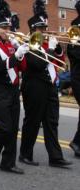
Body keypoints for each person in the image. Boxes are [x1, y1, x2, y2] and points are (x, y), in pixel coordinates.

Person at [19, 0, 72, 168]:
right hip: (34, 87)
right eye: (41, 29)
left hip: (49, 86)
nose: (44, 31)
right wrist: (49, 50)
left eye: (44, 28)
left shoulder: (45, 44)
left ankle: (55, 157)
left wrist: (57, 50)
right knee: (33, 122)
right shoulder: (27, 44)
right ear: (33, 29)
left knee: (52, 122)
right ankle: (25, 154)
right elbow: (38, 64)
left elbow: (58, 63)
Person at [0, 0, 28, 174]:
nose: (8, 31)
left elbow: (22, 68)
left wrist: (22, 52)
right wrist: (15, 55)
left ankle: (8, 163)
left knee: (13, 128)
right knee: (5, 127)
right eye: (4, 28)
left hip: (13, 90)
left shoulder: (10, 45)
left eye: (9, 28)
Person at [67, 1, 80, 158]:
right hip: (78, 76)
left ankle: (77, 142)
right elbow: (73, 52)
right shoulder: (75, 28)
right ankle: (77, 141)